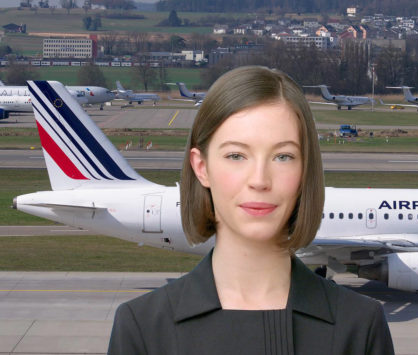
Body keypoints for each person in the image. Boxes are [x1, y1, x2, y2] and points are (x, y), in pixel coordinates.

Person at [108, 66, 394, 355]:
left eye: (283, 156)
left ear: (305, 170)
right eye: (236, 155)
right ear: (202, 168)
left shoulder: (360, 329)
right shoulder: (142, 330)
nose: (259, 180)